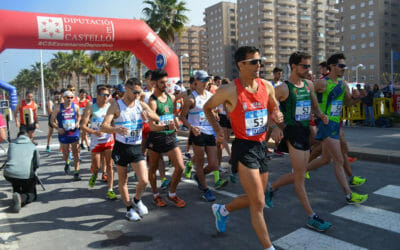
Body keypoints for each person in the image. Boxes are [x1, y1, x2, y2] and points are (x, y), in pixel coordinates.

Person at [203, 46, 283, 249]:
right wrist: (218, 129)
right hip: (243, 147)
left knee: (258, 197)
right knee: (258, 204)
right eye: (254, 62)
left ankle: (222, 210)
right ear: (241, 65)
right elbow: (207, 107)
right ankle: (269, 247)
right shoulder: (229, 90)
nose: (259, 65)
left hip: (261, 146)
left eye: (260, 61)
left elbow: (273, 108)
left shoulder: (267, 86)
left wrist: (275, 124)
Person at [265, 52, 332, 232]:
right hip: (292, 133)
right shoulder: (283, 89)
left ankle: (271, 188)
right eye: (305, 66)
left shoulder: (309, 85)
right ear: (293, 66)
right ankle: (312, 216)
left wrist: (322, 116)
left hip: (304, 133)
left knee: (299, 173)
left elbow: (315, 108)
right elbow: (267, 106)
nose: (308, 70)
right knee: (300, 178)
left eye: (309, 66)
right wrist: (275, 127)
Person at [307, 53, 368, 204]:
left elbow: (347, 103)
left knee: (325, 159)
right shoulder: (322, 83)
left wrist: (358, 97)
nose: (343, 69)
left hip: (336, 123)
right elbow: (306, 97)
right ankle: (349, 194)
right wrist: (316, 114)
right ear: (332, 66)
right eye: (341, 66)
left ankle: (299, 172)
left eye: (344, 66)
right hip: (326, 124)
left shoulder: (343, 84)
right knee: (339, 159)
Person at [101, 78, 159, 221]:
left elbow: (156, 117)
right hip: (121, 148)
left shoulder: (140, 104)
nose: (137, 95)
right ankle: (128, 209)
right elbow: (104, 126)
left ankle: (137, 200)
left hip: (136, 147)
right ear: (127, 89)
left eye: (140, 92)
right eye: (135, 92)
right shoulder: (116, 106)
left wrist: (148, 116)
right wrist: (116, 129)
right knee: (123, 180)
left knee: (144, 180)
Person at [180, 70, 226, 202]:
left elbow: (212, 110)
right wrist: (191, 128)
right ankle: (205, 189)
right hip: (198, 133)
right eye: (204, 80)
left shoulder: (210, 95)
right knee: (199, 162)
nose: (207, 82)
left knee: (213, 164)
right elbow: (182, 116)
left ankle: (199, 177)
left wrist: (215, 114)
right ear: (196, 82)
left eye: (208, 80)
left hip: (210, 132)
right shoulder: (190, 98)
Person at [146, 69, 186, 207]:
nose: (165, 85)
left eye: (166, 82)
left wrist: (174, 124)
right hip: (156, 138)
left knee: (180, 167)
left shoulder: (171, 98)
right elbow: (152, 126)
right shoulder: (153, 102)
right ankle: (156, 195)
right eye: (162, 82)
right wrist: (166, 127)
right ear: (154, 83)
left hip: (169, 137)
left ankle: (172, 194)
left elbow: (173, 115)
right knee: (153, 168)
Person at [81, 85, 117, 199]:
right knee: (96, 166)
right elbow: (83, 125)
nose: (106, 97)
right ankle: (95, 174)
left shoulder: (111, 107)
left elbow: (115, 122)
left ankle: (110, 189)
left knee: (110, 165)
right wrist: (93, 131)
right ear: (98, 95)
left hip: (108, 140)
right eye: (104, 95)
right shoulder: (91, 106)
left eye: (108, 95)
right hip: (96, 141)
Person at [3, 128, 40, 212]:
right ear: (28, 137)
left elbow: (9, 158)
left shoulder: (12, 145)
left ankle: (16, 193)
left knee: (15, 180)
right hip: (25, 176)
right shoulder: (33, 146)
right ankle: (21, 198)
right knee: (32, 194)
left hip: (9, 174)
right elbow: (37, 164)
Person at [51, 90, 82, 181]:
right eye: (67, 97)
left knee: (76, 152)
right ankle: (67, 162)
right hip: (63, 133)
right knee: (65, 153)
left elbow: (79, 116)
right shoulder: (57, 108)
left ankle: (76, 172)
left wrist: (78, 123)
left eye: (71, 97)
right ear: (63, 98)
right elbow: (52, 121)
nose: (70, 99)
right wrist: (58, 128)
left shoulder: (75, 107)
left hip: (74, 132)